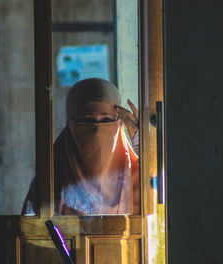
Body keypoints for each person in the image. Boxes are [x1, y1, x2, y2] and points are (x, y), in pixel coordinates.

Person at [22, 78, 139, 215]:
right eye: (87, 121)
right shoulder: (49, 182)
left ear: (119, 122)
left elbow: (157, 216)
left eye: (106, 120)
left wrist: (143, 145)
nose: (97, 131)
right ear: (71, 125)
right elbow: (31, 230)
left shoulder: (137, 176)